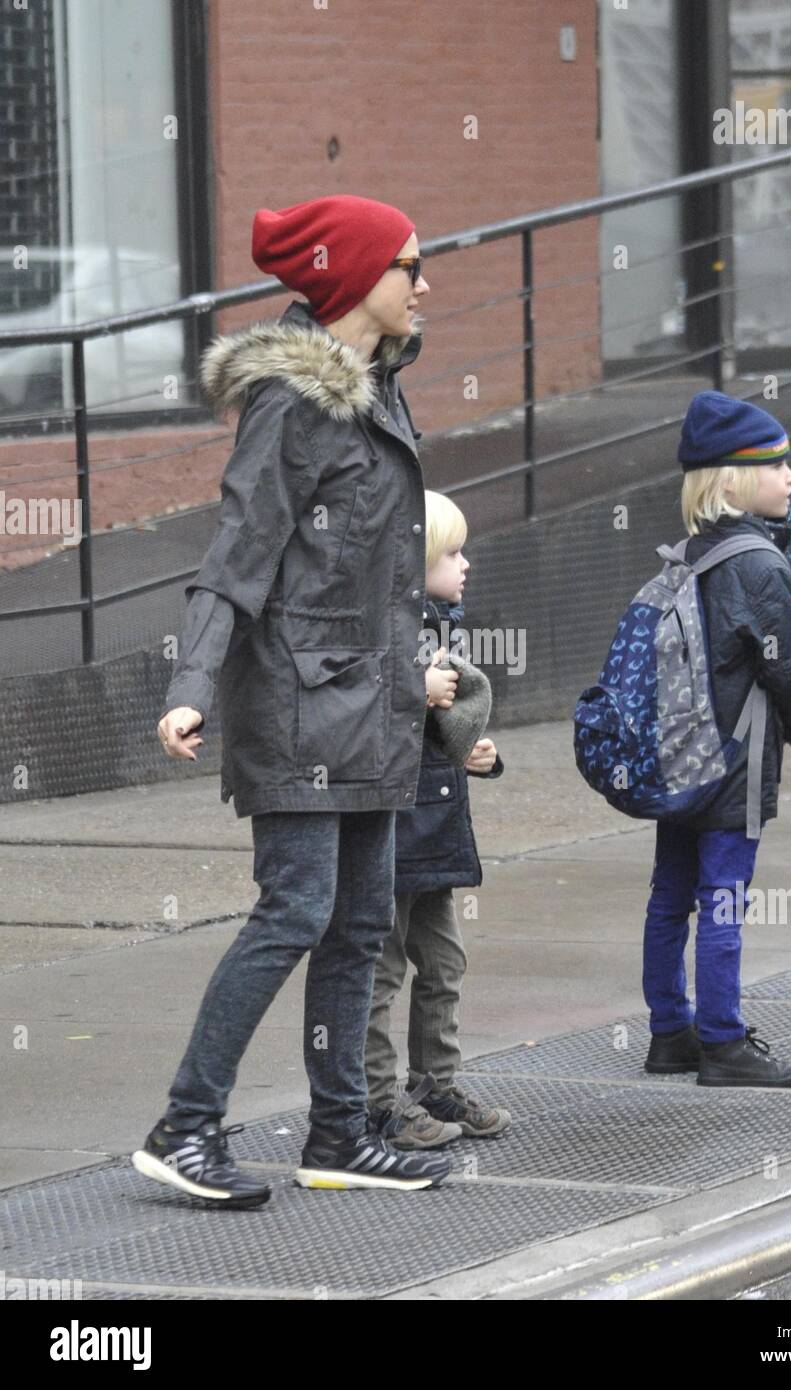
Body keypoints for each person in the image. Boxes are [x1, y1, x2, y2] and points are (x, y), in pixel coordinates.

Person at [131, 194, 454, 1205]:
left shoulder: (383, 386)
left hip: (373, 705)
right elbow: (236, 556)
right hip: (302, 704)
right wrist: (191, 688)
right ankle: (185, 1126)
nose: (424, 281)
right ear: (359, 276)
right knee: (297, 908)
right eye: (411, 262)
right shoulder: (292, 401)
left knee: (361, 922)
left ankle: (339, 1131)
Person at [641, 391, 791, 1088]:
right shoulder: (757, 564)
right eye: (777, 465)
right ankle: (722, 1042)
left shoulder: (685, 555)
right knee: (722, 897)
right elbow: (790, 667)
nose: (790, 476)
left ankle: (668, 1033)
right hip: (734, 761)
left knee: (669, 895)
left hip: (677, 757)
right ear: (737, 479)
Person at [365, 491, 512, 1149]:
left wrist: (470, 751)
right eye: (450, 553)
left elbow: (426, 735)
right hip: (392, 826)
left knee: (443, 963)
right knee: (381, 966)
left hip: (432, 824)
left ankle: (436, 1083)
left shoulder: (435, 628)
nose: (465, 564)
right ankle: (374, 1098)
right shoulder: (385, 627)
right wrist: (411, 689)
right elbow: (354, 713)